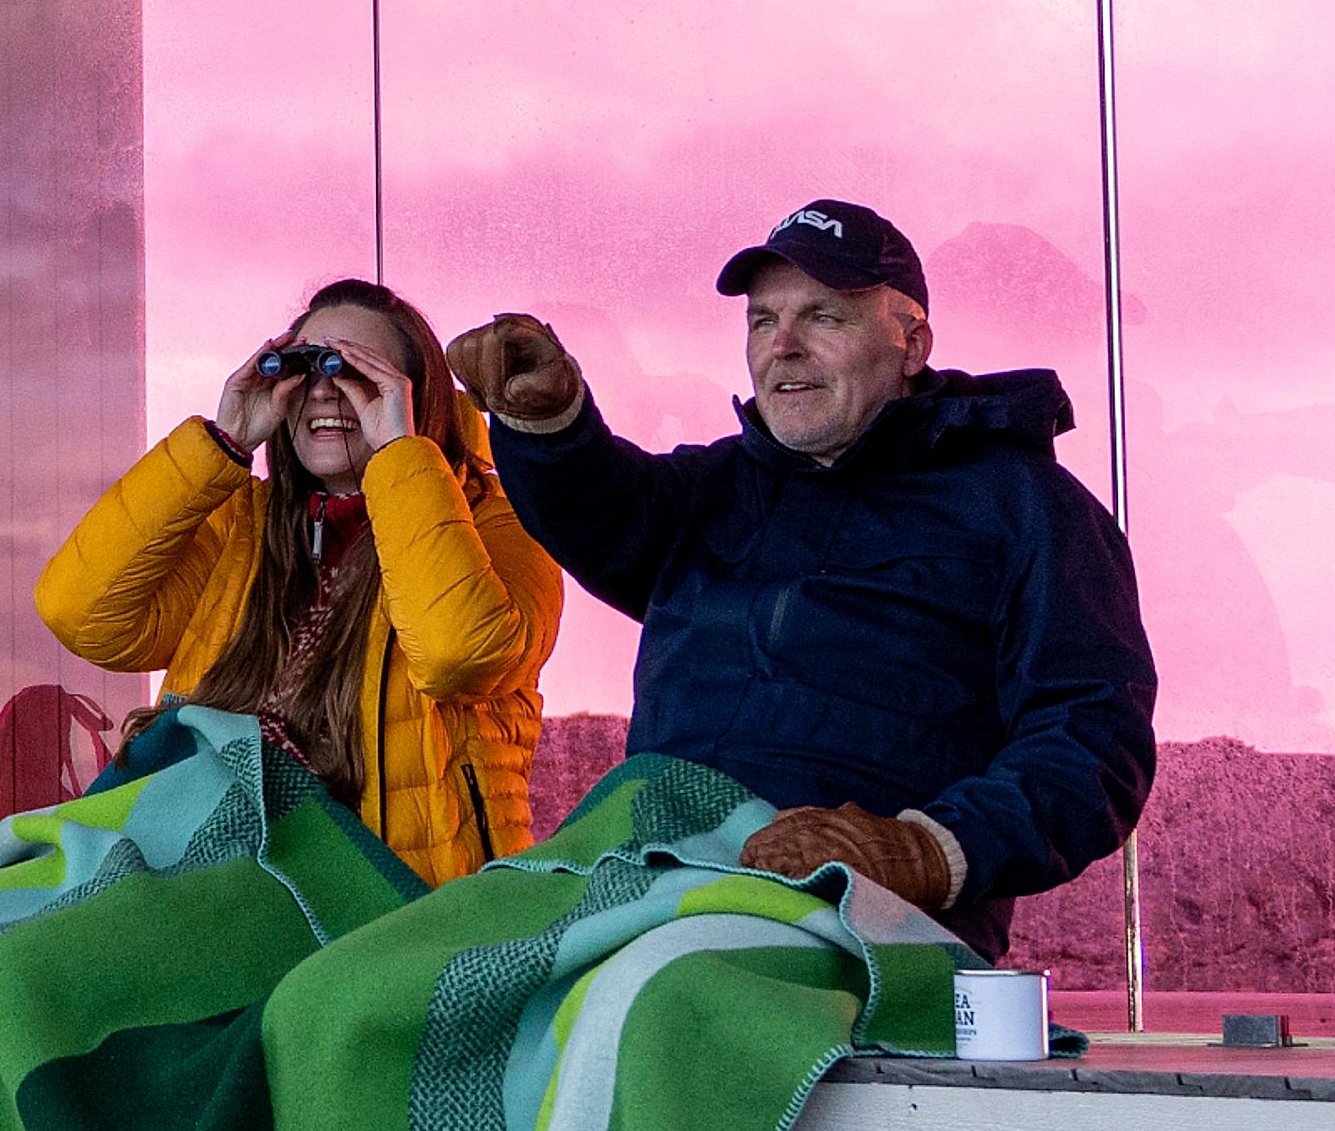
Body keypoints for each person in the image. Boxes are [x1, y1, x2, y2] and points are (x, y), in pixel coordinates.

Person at [450, 196, 1154, 952]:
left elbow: (1091, 740)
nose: (782, 345)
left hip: (866, 923)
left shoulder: (1027, 509)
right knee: (361, 994)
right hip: (647, 874)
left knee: (656, 1010)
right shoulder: (715, 490)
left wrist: (923, 850)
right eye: (762, 320)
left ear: (911, 342)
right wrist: (548, 420)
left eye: (823, 316)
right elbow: (604, 511)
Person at [32, 276, 565, 881]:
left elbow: (457, 656)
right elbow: (82, 616)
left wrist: (400, 454)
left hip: (405, 904)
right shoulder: (241, 522)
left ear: (416, 396)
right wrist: (222, 444)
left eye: (360, 375)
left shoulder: (500, 523)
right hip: (226, 884)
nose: (326, 393)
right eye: (304, 368)